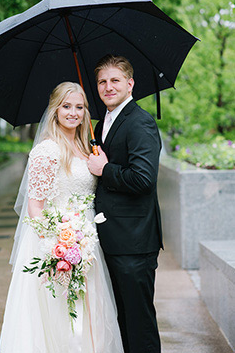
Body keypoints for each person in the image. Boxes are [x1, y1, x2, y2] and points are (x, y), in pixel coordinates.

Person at [0, 81, 124, 353]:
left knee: (90, 308)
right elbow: (35, 206)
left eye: (79, 107)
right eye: (66, 106)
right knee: (59, 312)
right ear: (55, 109)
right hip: (58, 243)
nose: (73, 113)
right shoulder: (47, 150)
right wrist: (58, 246)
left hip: (87, 241)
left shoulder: (86, 147)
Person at [88, 55, 163, 353]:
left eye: (115, 80)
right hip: (111, 239)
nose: (108, 87)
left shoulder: (140, 121)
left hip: (134, 243)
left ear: (130, 84)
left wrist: (105, 170)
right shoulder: (101, 123)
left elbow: (144, 178)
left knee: (139, 323)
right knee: (120, 321)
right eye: (102, 82)